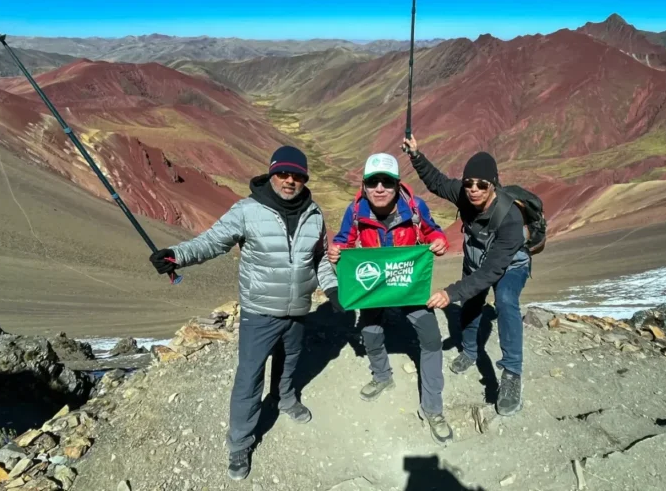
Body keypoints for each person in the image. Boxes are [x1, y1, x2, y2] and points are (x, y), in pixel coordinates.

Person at [149, 146, 336, 481]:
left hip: (298, 309)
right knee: (249, 377)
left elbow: (320, 257)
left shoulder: (314, 213)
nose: (290, 181)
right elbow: (213, 241)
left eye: (297, 176)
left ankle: (286, 399)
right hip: (259, 312)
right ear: (271, 173)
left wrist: (332, 287)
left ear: (305, 179)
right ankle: (239, 444)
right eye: (283, 174)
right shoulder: (248, 210)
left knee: (291, 360)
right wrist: (177, 255)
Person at [326, 152, 453, 445]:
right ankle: (383, 376)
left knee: (431, 339)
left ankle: (433, 408)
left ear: (397, 185)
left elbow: (434, 230)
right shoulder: (356, 211)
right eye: (373, 182)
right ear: (365, 185)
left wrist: (439, 242)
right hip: (375, 286)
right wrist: (336, 250)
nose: (379, 188)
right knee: (370, 333)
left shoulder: (414, 206)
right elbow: (344, 239)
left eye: (386, 182)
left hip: (408, 285)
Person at [404, 135, 529, 417]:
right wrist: (416, 155)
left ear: (493, 184)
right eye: (469, 183)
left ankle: (511, 375)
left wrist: (450, 292)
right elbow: (436, 182)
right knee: (470, 306)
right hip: (475, 260)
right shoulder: (463, 193)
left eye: (481, 184)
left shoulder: (510, 217)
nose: (473, 190)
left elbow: (492, 271)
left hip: (509, 267)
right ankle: (470, 351)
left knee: (506, 301)